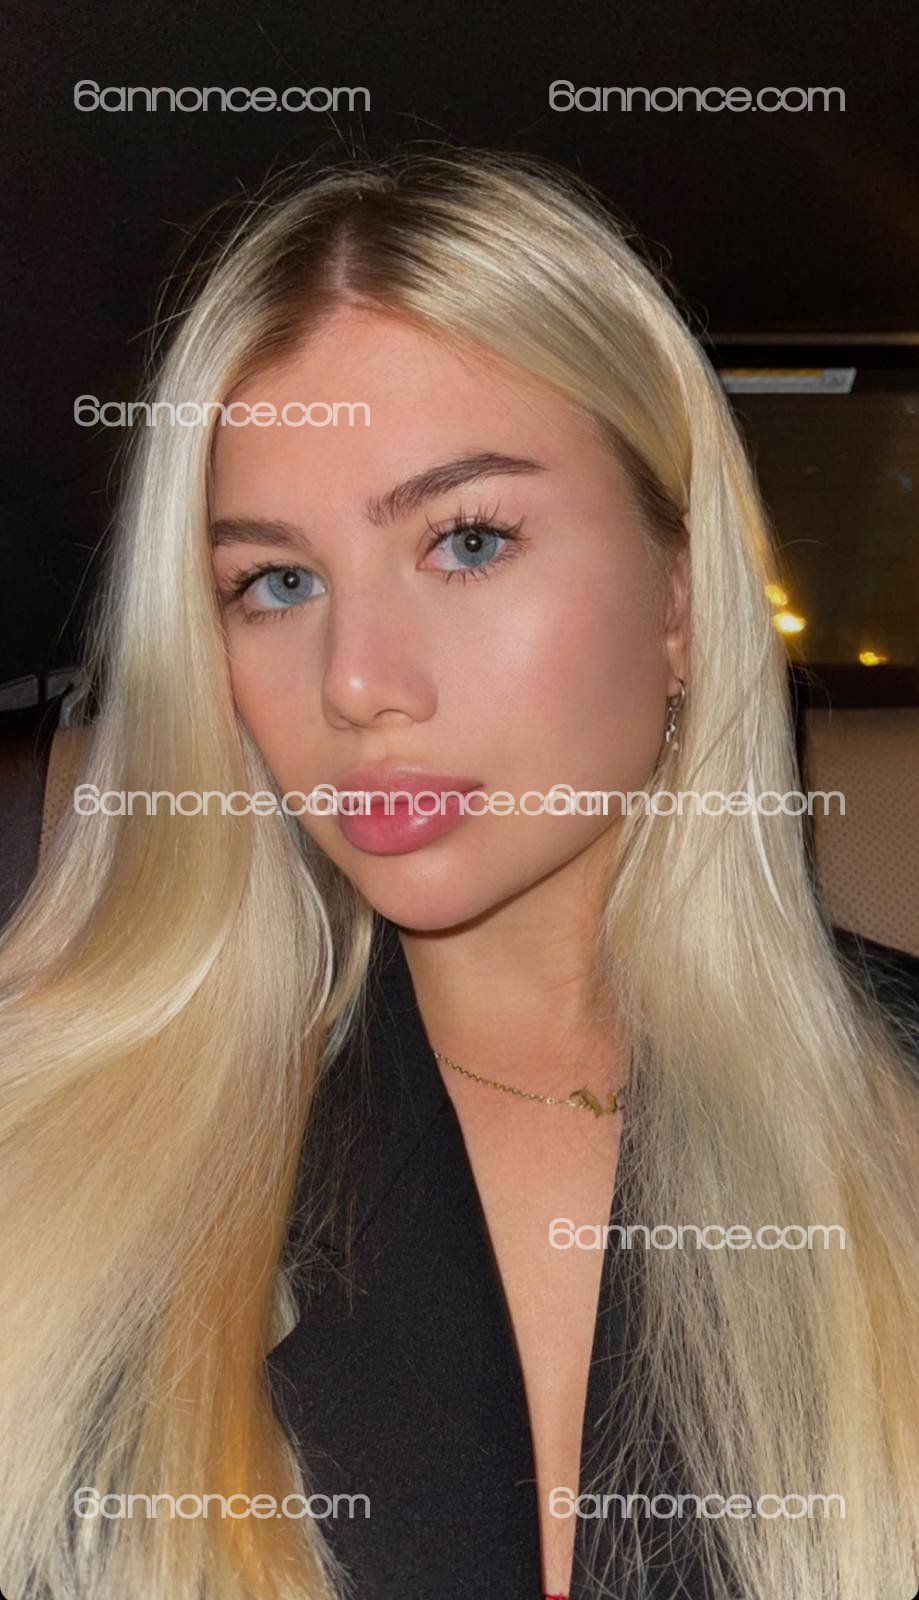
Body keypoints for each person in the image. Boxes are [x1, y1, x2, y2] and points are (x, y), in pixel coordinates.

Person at [0, 149, 917, 1600]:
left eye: (467, 540)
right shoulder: (46, 1150)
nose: (358, 681)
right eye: (277, 582)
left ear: (681, 599)